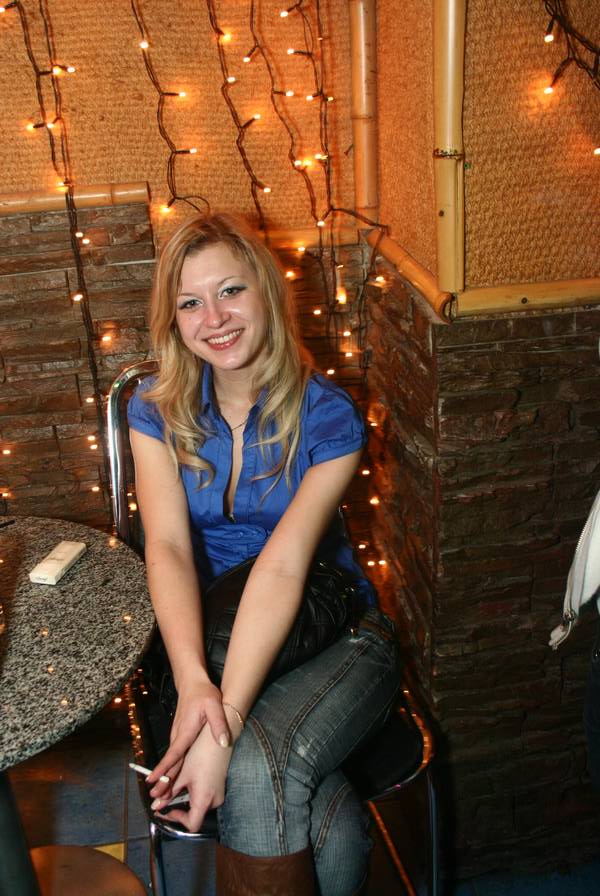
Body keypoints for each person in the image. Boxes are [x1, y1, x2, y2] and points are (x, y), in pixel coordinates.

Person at [127, 212, 401, 895]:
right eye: (190, 303)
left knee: (250, 767)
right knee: (322, 819)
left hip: (334, 635)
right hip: (214, 643)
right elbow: (167, 548)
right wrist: (195, 682)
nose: (214, 318)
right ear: (173, 321)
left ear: (266, 293)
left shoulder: (330, 416)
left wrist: (221, 726)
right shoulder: (154, 411)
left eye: (230, 291)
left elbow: (282, 567)